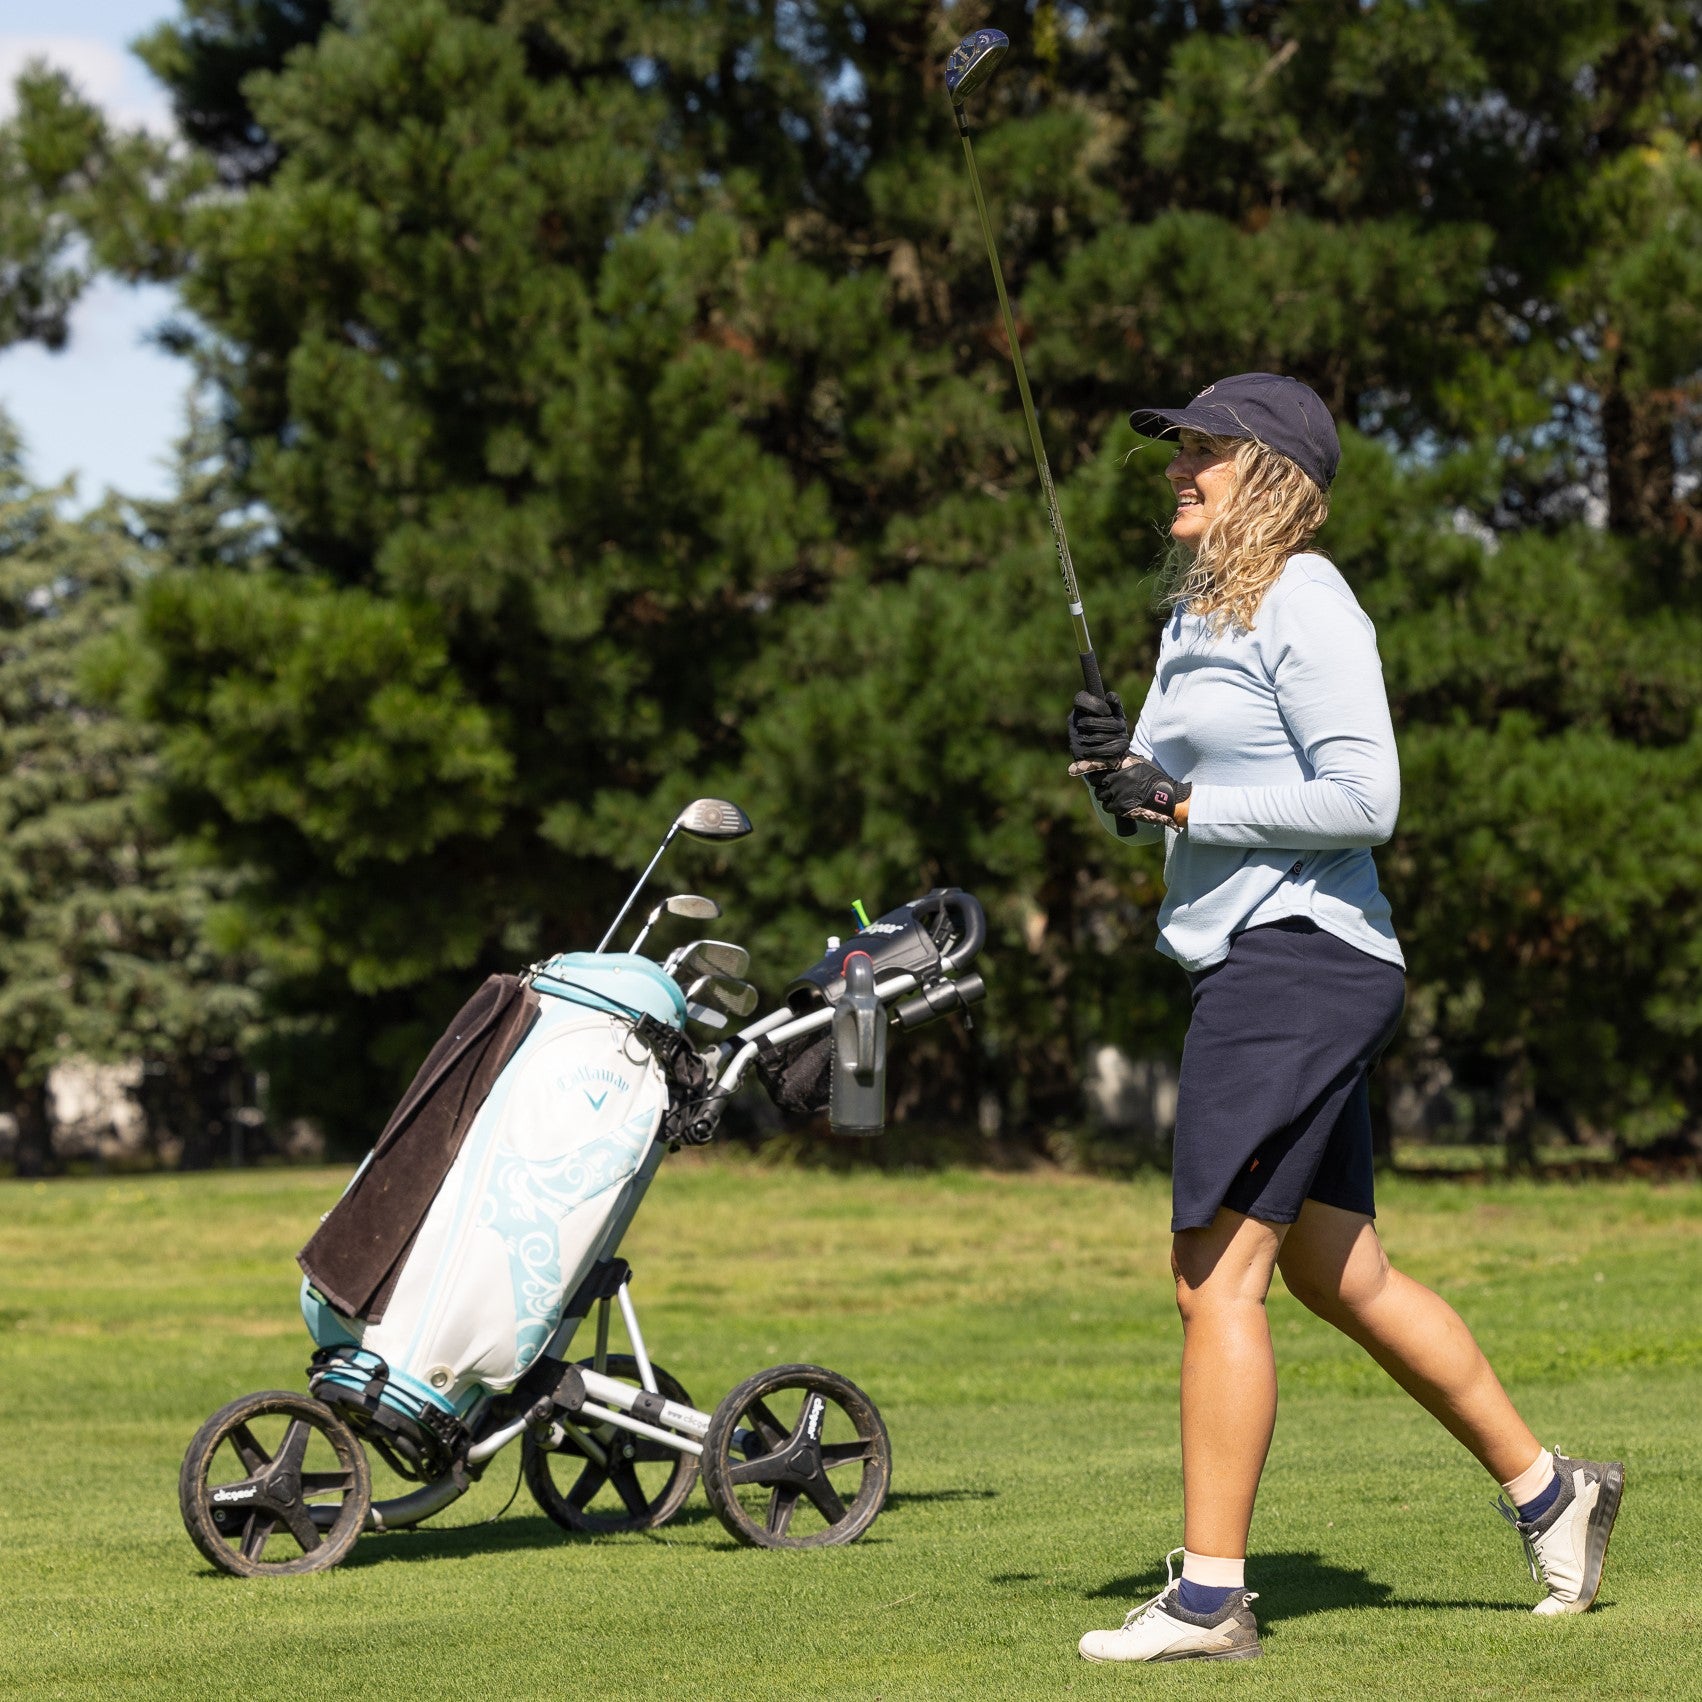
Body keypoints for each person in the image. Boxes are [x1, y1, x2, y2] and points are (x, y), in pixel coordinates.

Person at [1068, 373, 1624, 1665]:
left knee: (1213, 1275)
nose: (1173, 472)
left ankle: (1209, 1596)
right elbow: (1158, 789)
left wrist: (1188, 809)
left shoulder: (1305, 599)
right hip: (1253, 961)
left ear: (1262, 473)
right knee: (1334, 1268)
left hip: (1298, 963)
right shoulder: (1194, 618)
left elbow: (1362, 796)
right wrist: (1112, 769)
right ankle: (1551, 1489)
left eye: (1196, 453)